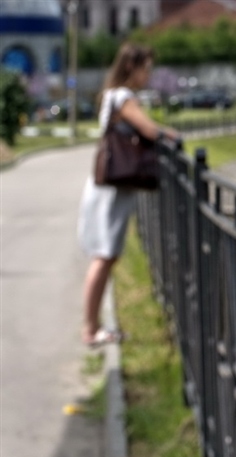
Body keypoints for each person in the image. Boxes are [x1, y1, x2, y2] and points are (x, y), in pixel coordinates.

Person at [78, 42, 179, 347]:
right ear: (130, 68)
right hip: (112, 190)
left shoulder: (112, 96)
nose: (148, 74)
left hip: (108, 186)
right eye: (145, 68)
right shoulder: (123, 97)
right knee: (104, 257)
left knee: (105, 256)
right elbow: (149, 130)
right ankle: (91, 329)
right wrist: (174, 136)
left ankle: (92, 327)